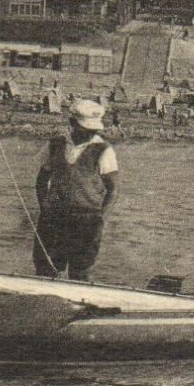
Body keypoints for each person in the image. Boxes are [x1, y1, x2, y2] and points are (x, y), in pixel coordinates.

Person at [32, 99, 119, 281]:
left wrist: (101, 217)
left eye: (93, 130)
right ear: (72, 124)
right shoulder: (55, 144)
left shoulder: (103, 149)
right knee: (45, 266)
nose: (90, 134)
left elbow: (113, 189)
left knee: (80, 270)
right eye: (85, 129)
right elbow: (42, 178)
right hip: (54, 217)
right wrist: (44, 206)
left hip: (87, 219)